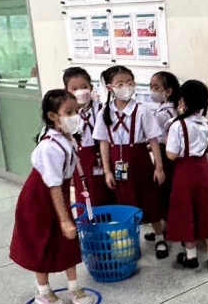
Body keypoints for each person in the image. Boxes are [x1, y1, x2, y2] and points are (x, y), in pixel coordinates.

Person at [10, 89, 95, 304]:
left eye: (76, 111)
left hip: (59, 196)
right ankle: (44, 291)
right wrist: (65, 220)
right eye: (68, 112)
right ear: (52, 116)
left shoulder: (68, 138)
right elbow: (53, 185)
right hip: (39, 199)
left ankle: (74, 287)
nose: (74, 116)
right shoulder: (49, 146)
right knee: (42, 243)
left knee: (67, 242)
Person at [93, 65, 169, 259]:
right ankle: (129, 240)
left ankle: (160, 237)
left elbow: (153, 139)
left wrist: (158, 167)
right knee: (124, 202)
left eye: (130, 82)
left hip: (140, 160)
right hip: (117, 161)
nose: (126, 87)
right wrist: (107, 171)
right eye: (120, 84)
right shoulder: (104, 112)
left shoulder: (142, 111)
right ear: (110, 88)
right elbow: (103, 142)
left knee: (150, 198)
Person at [166, 80, 208, 271]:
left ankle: (191, 257)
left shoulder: (177, 126)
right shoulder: (207, 124)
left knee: (185, 212)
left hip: (184, 173)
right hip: (204, 170)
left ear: (183, 100)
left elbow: (171, 154)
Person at [63, 67, 114, 208]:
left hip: (102, 156)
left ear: (91, 87)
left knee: (106, 194)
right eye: (74, 88)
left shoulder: (101, 109)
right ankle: (88, 226)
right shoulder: (66, 115)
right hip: (80, 160)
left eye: (84, 87)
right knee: (85, 196)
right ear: (66, 91)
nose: (80, 91)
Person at [144, 71, 180, 242]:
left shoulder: (162, 114)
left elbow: (158, 141)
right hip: (175, 158)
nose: (152, 90)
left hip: (166, 158)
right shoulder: (176, 108)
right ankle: (169, 228)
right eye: (151, 86)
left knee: (164, 193)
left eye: (156, 87)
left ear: (168, 91)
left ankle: (167, 229)